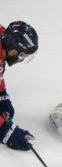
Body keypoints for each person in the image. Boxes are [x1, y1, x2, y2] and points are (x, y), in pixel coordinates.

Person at [0, 21, 39, 152]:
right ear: (12, 50)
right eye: (22, 55)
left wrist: (2, 94)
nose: (21, 59)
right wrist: (4, 129)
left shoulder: (4, 38)